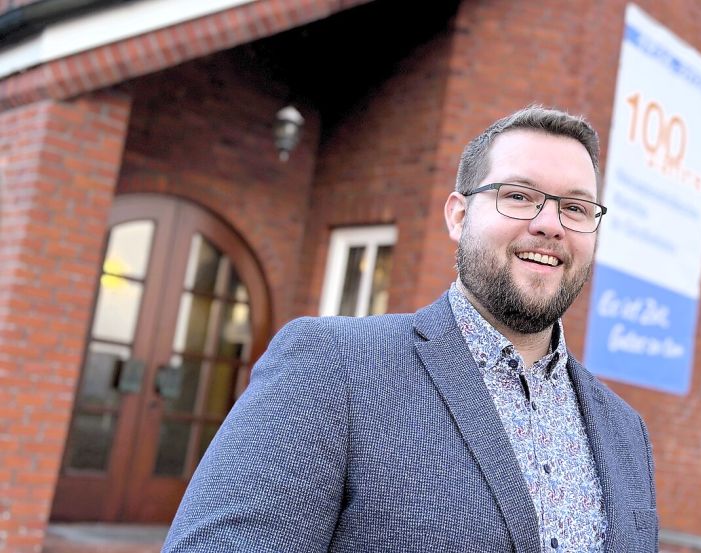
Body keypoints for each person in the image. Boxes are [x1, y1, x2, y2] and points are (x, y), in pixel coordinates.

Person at [163, 106, 659, 552]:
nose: (550, 224)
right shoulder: (333, 365)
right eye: (519, 195)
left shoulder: (626, 431)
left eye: (575, 208)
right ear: (458, 215)